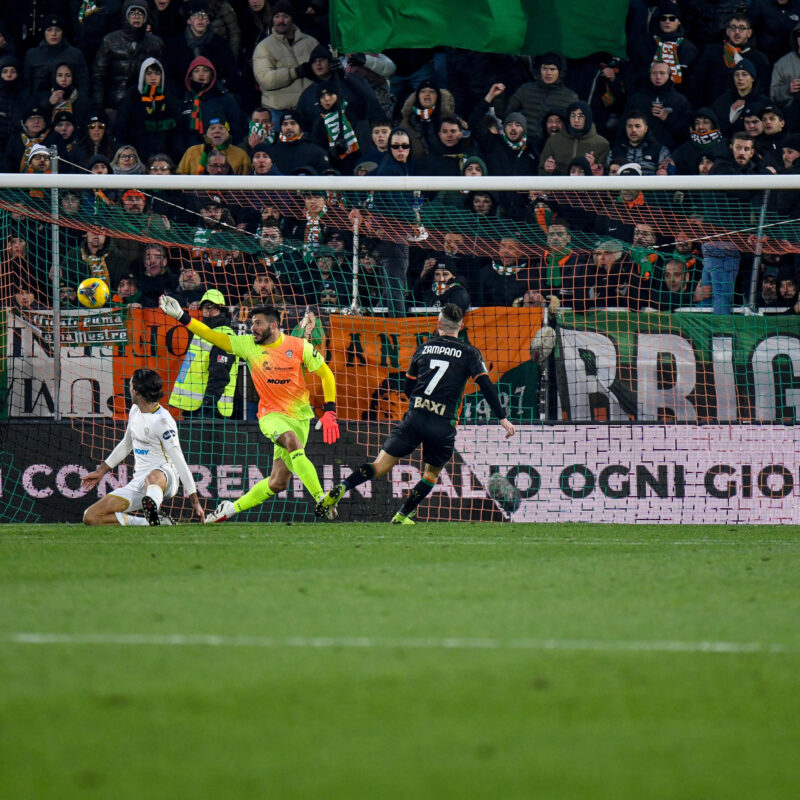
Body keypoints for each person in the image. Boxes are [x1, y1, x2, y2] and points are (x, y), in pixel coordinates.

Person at [317, 303, 515, 524]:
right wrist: (502, 417)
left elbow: (408, 389)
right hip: (442, 423)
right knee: (431, 474)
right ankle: (402, 514)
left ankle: (341, 488)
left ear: (438, 324)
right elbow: (486, 385)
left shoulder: (424, 348)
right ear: (460, 326)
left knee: (379, 465)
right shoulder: (470, 353)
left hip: (415, 417)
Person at [159, 297, 340, 522]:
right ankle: (321, 498)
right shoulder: (247, 344)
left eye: (258, 323)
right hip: (270, 415)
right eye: (252, 323)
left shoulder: (298, 346)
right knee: (291, 441)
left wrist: (330, 410)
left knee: (278, 482)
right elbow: (213, 336)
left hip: (300, 416)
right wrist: (182, 317)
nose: (252, 328)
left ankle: (230, 509)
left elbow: (326, 374)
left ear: (273, 326)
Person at [81, 368, 204, 526]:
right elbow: (126, 444)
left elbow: (179, 461)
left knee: (151, 478)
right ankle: (151, 521)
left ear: (137, 391)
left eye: (130, 385)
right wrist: (100, 471)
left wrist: (194, 500)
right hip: (139, 482)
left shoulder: (162, 421)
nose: (129, 389)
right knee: (90, 516)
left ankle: (152, 504)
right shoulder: (135, 411)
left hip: (166, 476)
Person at [169, 288, 239, 418]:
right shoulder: (201, 333)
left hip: (212, 408)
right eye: (205, 308)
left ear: (221, 310)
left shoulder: (224, 335)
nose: (208, 313)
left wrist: (209, 403)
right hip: (194, 405)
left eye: (212, 308)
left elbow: (220, 374)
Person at [252, 1, 319, 121]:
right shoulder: (264, 47)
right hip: (278, 110)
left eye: (285, 16)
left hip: (310, 107)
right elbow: (265, 79)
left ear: (292, 19)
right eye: (277, 17)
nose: (281, 21)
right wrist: (295, 72)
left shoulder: (311, 42)